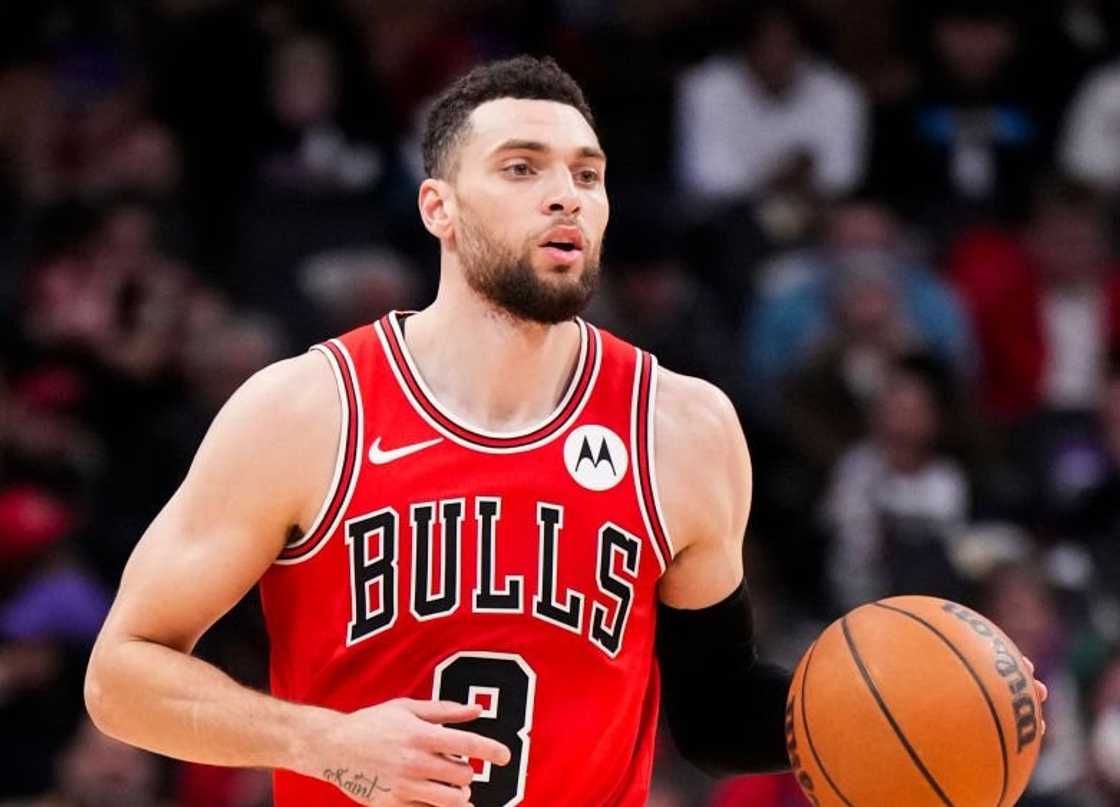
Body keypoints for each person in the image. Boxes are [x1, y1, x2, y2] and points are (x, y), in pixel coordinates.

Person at [83, 56, 796, 807]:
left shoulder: (683, 427)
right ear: (438, 209)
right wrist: (321, 742)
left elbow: (715, 711)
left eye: (588, 175)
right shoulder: (307, 410)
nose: (566, 196)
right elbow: (120, 676)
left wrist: (879, 700)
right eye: (521, 169)